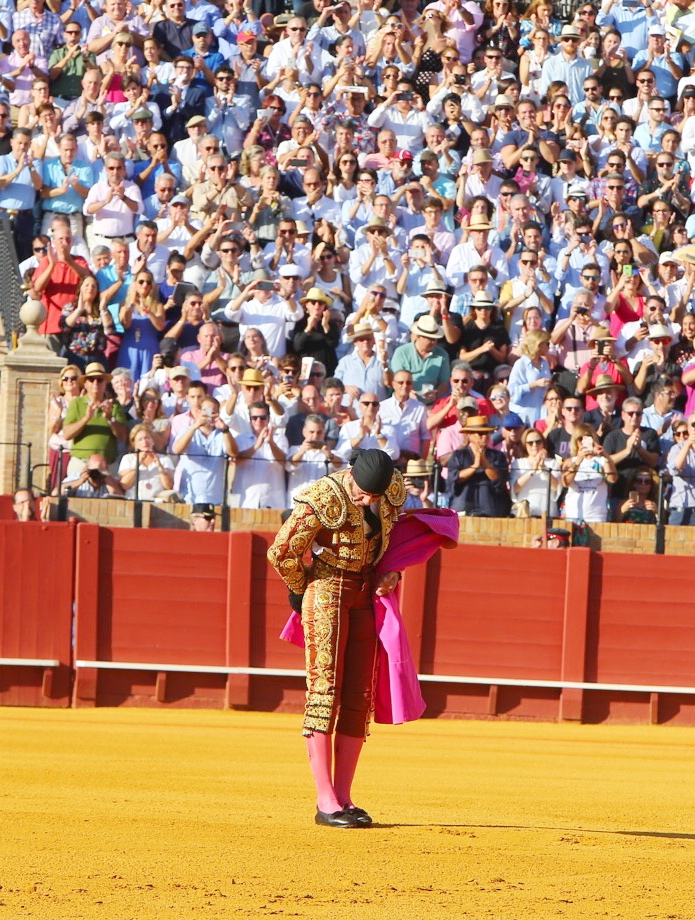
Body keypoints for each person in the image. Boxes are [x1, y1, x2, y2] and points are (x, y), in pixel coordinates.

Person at [267, 449, 407, 827]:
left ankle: (344, 796)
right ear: (350, 474)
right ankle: (325, 799)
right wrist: (300, 589)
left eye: (374, 496)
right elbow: (281, 551)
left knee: (359, 696)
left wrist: (392, 572)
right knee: (325, 691)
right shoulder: (324, 495)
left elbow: (393, 540)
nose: (366, 500)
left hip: (365, 593)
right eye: (362, 492)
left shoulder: (392, 490)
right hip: (327, 590)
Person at [447, 415, 510, 516]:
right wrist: (474, 466)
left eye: (486, 433)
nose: (484, 437)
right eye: (480, 434)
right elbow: (455, 478)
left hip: (491, 509)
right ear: (469, 435)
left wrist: (484, 462)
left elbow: (499, 480)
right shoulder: (459, 455)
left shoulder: (498, 456)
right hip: (463, 508)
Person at [561, 424, 618, 523]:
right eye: (580, 439)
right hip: (573, 513)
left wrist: (605, 455)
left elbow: (612, 479)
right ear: (575, 442)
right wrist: (578, 460)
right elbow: (565, 482)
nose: (584, 442)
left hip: (597, 515)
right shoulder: (571, 461)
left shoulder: (602, 460)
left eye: (588, 438)